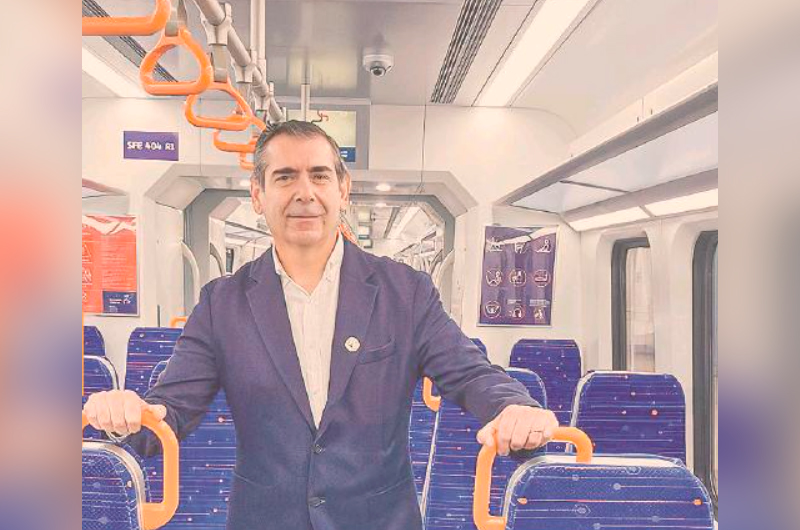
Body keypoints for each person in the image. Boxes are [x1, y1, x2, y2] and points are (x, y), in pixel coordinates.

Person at [83, 120, 559, 530]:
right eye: (284, 176)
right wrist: (126, 414)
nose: (304, 193)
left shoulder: (404, 291)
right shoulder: (221, 303)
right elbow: (167, 412)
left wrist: (514, 408)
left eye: (319, 175)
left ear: (342, 190)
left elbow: (470, 373)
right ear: (258, 195)